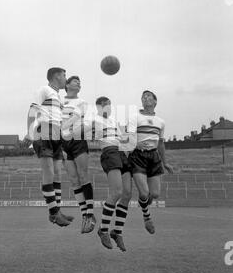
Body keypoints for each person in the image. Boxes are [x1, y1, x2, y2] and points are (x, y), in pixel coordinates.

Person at [68, 96, 136, 251]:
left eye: (109, 104)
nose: (107, 107)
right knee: (117, 192)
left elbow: (125, 141)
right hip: (109, 153)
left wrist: (133, 143)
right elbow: (76, 132)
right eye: (103, 105)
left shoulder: (115, 122)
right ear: (98, 108)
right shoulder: (94, 120)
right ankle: (103, 229)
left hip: (122, 154)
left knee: (127, 194)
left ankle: (117, 232)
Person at [23, 67, 74, 227]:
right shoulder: (44, 89)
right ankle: (54, 213)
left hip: (56, 134)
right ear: (56, 76)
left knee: (58, 174)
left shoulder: (58, 97)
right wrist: (30, 133)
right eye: (64, 75)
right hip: (44, 131)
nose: (66, 78)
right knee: (49, 172)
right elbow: (33, 110)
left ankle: (56, 211)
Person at [128, 90, 173, 235]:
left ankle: (144, 205)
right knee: (145, 192)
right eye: (143, 96)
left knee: (154, 194)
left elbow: (160, 144)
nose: (145, 98)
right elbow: (126, 137)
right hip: (137, 156)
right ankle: (147, 217)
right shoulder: (135, 117)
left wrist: (165, 163)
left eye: (149, 96)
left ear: (155, 102)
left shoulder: (161, 122)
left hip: (154, 157)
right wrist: (135, 145)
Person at [61, 76, 96, 234]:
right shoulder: (59, 102)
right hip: (63, 143)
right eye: (75, 81)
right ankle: (84, 215)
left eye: (80, 82)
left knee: (83, 176)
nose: (78, 83)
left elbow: (88, 123)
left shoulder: (82, 103)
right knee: (74, 180)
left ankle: (90, 214)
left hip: (78, 140)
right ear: (67, 85)